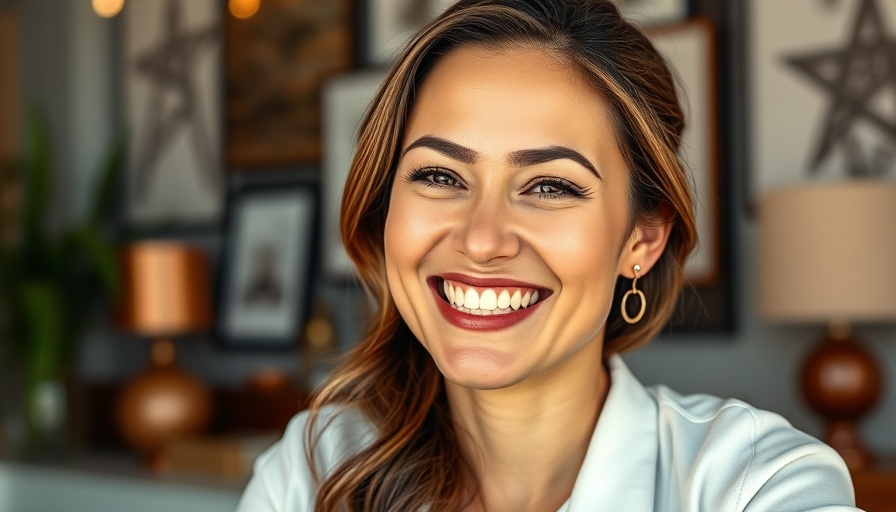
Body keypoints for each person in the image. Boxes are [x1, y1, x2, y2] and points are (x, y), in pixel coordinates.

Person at [237, 0, 857, 510]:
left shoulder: (756, 484)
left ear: (642, 239)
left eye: (550, 186)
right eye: (441, 176)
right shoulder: (317, 470)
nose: (482, 240)